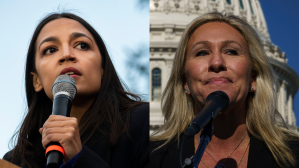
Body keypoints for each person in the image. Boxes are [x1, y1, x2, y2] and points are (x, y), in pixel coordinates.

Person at [149, 12, 299, 168]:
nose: (216, 62)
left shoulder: (293, 157)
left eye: (231, 51)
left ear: (252, 79)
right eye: (202, 52)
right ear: (185, 82)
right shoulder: (151, 158)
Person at [3, 12, 149, 168]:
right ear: (36, 81)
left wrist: (79, 157)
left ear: (103, 69)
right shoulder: (16, 160)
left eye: (82, 45)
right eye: (51, 50)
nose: (66, 55)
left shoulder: (146, 122)